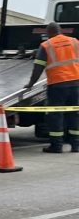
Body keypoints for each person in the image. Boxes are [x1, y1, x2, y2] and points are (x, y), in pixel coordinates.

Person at [24, 22, 79, 153]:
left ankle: (57, 146)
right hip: (76, 83)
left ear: (48, 33)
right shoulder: (74, 41)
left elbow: (38, 68)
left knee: (55, 115)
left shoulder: (46, 45)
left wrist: (31, 83)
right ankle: (76, 145)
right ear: (60, 31)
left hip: (58, 85)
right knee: (75, 114)